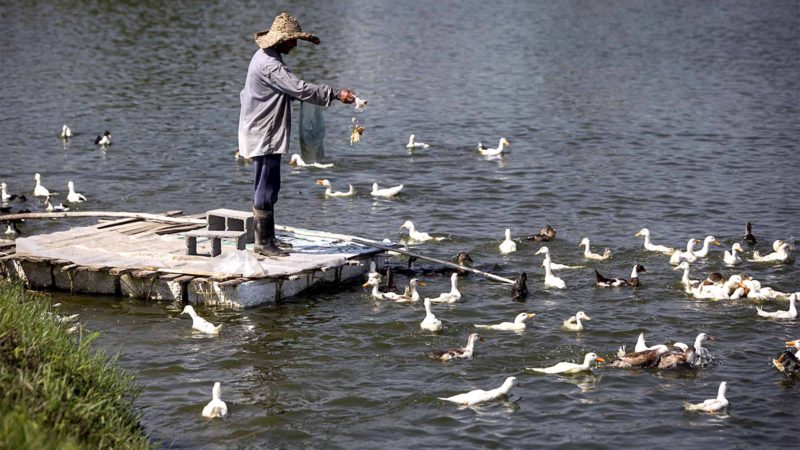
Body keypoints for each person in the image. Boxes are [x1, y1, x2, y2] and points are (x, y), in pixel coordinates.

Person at [238, 12, 356, 257]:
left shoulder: (267, 57)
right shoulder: (270, 64)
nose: (294, 45)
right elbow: (298, 88)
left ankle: (268, 238)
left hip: (262, 128)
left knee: (269, 183)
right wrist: (334, 93)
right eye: (292, 41)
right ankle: (263, 243)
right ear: (281, 40)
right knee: (266, 185)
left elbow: (288, 89)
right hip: (264, 131)